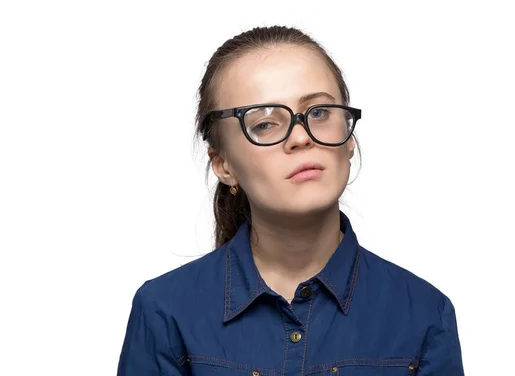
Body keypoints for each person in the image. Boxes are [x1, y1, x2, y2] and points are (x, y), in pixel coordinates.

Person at [117, 25, 464, 375]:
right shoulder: (165, 312)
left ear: (349, 139)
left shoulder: (424, 315)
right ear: (223, 165)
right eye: (265, 123)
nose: (300, 137)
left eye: (319, 112)